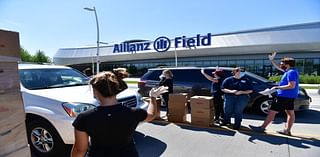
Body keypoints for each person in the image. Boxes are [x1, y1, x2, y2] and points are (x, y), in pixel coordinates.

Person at [71, 71, 168, 157]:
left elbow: (80, 150)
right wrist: (153, 98)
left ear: (95, 91)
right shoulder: (134, 113)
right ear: (116, 89)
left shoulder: (84, 118)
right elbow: (151, 115)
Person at [249, 52, 299, 136]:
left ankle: (262, 128)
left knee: (272, 112)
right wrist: (272, 60)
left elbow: (291, 85)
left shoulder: (291, 73)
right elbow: (278, 68)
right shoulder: (291, 71)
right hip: (289, 96)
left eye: (282, 63)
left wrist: (277, 88)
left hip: (283, 96)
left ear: (287, 64)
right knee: (290, 113)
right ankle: (287, 130)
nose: (280, 64)